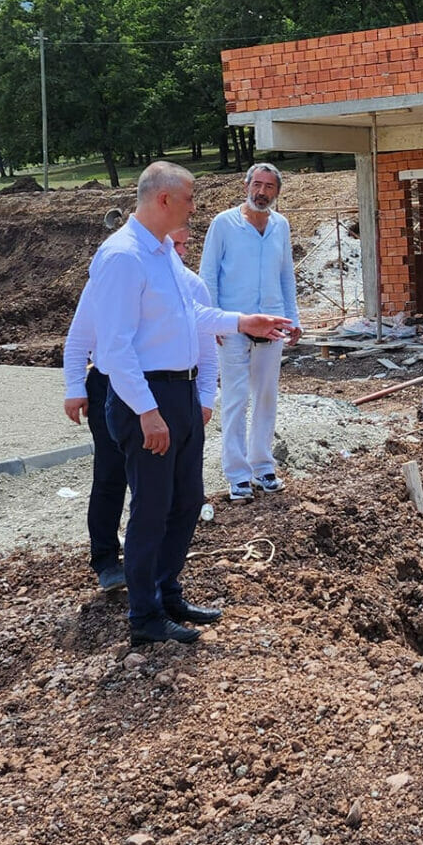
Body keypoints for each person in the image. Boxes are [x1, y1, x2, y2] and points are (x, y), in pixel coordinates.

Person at [81, 161, 292, 646]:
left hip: (179, 391)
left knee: (186, 502)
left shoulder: (161, 255)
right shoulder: (122, 257)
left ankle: (166, 591)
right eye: (190, 199)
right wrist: (147, 412)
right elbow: (114, 348)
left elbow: (191, 312)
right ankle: (144, 617)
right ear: (163, 200)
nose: (195, 208)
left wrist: (242, 321)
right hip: (147, 397)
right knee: (152, 509)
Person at [63, 223, 216, 594]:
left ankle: (155, 571)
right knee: (111, 474)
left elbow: (207, 349)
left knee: (164, 489)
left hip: (170, 390)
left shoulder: (192, 286)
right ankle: (105, 558)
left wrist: (205, 398)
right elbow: (82, 334)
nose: (177, 252)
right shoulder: (118, 271)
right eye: (171, 243)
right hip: (112, 383)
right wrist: (73, 386)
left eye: (182, 245)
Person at [199, 162, 303, 502]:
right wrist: (213, 319)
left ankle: (263, 466)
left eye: (269, 187)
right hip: (233, 325)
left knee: (266, 398)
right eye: (256, 184)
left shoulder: (281, 226)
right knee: (235, 399)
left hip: (272, 325)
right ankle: (237, 474)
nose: (261, 192)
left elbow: (286, 274)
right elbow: (208, 273)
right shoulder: (224, 224)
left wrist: (293, 317)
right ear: (246, 185)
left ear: (277, 192)